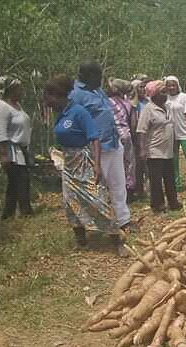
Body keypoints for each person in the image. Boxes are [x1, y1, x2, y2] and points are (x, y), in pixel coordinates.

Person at [43, 75, 125, 254]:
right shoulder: (60, 114)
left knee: (97, 199)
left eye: (48, 97)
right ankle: (81, 240)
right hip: (68, 164)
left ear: (57, 95)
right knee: (70, 201)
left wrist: (97, 165)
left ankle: (116, 239)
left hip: (83, 161)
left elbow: (94, 138)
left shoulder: (79, 112)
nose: (47, 101)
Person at [68, 62, 132, 234]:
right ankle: (93, 224)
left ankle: (123, 220)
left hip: (113, 143)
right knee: (94, 189)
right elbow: (73, 121)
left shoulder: (98, 90)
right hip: (95, 148)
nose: (101, 79)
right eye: (98, 76)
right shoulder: (76, 94)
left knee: (118, 185)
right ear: (86, 76)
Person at [0, 76, 34, 218]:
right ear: (10, 90)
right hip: (10, 151)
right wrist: (4, 156)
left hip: (20, 150)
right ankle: (25, 211)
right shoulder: (1, 108)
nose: (21, 92)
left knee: (15, 184)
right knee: (21, 180)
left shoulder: (17, 106)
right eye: (18, 89)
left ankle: (9, 214)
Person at [136, 80, 182, 213]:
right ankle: (158, 205)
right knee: (156, 180)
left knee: (170, 178)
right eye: (162, 92)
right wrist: (142, 149)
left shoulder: (167, 107)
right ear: (154, 94)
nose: (165, 94)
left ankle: (173, 202)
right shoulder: (148, 109)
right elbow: (141, 131)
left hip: (168, 150)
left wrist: (174, 146)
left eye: (166, 92)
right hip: (154, 151)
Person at [107, 78, 136, 197]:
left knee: (115, 164)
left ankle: (115, 190)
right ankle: (128, 188)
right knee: (128, 163)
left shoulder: (107, 102)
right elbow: (133, 124)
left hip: (113, 135)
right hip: (126, 135)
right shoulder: (128, 104)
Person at [130, 77, 150, 198]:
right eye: (140, 87)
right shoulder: (132, 104)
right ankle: (138, 189)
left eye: (143, 87)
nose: (143, 89)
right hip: (135, 137)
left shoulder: (148, 102)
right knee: (137, 165)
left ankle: (149, 189)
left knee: (148, 164)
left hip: (148, 136)